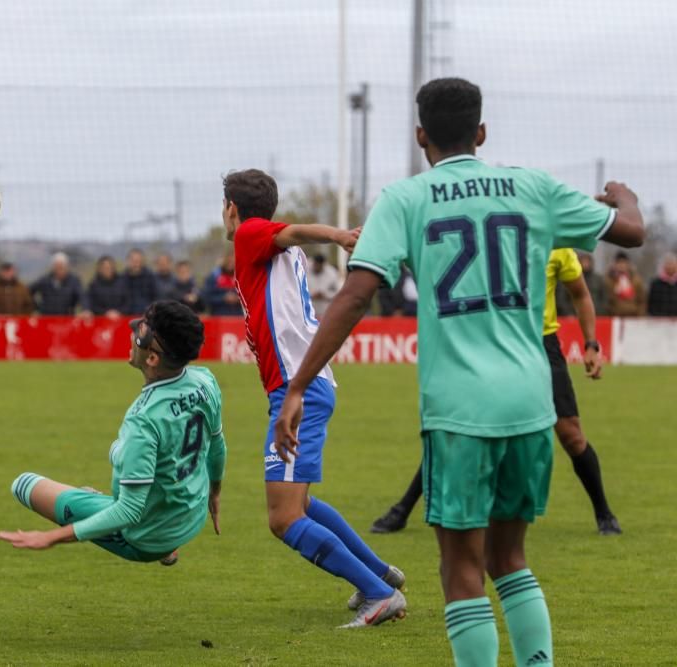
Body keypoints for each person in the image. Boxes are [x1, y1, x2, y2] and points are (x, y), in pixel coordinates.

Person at [274, 78, 644, 666]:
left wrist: (298, 384)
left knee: (462, 566)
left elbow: (355, 295)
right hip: (530, 402)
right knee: (511, 560)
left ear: (420, 136)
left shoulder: (405, 199)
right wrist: (624, 195)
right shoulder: (533, 186)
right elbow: (631, 232)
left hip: (458, 410)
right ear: (481, 132)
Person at [221, 168, 406, 629]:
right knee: (300, 504)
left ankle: (380, 594)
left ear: (232, 209)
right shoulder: (283, 252)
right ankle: (380, 574)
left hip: (295, 389)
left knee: (283, 518)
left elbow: (297, 228)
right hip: (307, 384)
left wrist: (341, 235)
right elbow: (293, 235)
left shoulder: (248, 235)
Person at [371, 248, 623, 537]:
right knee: (457, 427)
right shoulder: (492, 235)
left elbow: (580, 294)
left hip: (541, 346)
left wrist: (591, 343)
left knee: (570, 433)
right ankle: (402, 509)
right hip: (492, 342)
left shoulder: (557, 243)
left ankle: (604, 513)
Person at [0, 300, 224, 566]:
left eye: (140, 331)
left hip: (147, 538)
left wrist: (51, 537)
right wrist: (215, 492)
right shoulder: (205, 380)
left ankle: (164, 547)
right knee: (122, 460)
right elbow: (218, 445)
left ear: (151, 357)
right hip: (190, 517)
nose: (133, 332)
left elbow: (129, 511)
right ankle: (148, 529)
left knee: (23, 484)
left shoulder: (144, 420)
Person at [605, 251, 646, 316]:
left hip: (633, 317)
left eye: (624, 262)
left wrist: (640, 315)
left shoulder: (636, 280)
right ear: (615, 264)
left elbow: (642, 300)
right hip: (615, 317)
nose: (621, 265)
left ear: (628, 264)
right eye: (619, 263)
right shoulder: (609, 280)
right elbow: (607, 301)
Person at [202, 252, 242, 316]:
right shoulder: (213, 277)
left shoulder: (241, 277)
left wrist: (238, 299)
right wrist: (223, 298)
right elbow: (206, 298)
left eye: (233, 261)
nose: (231, 264)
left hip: (239, 318)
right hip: (218, 318)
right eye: (228, 261)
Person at [121, 248, 158, 315]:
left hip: (146, 316)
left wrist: (150, 311)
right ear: (128, 261)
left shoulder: (150, 277)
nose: (136, 263)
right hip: (126, 317)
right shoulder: (121, 278)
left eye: (138, 261)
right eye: (133, 261)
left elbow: (156, 297)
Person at [306, 253, 342, 318]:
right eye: (316, 264)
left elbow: (338, 292)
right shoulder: (304, 269)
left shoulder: (332, 273)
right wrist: (310, 296)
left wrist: (325, 295)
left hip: (325, 310)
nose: (317, 267)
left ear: (323, 264)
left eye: (319, 265)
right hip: (307, 310)